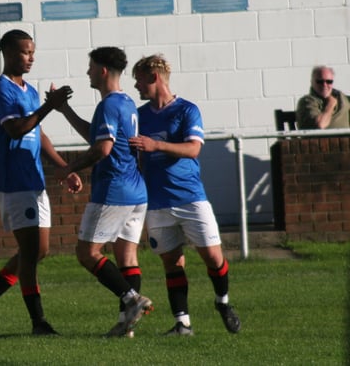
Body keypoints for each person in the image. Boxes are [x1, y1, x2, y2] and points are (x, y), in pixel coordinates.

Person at [0, 29, 83, 336]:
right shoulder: (1, 91)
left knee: (39, 251)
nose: (30, 57)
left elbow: (37, 134)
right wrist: (49, 106)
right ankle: (38, 322)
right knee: (30, 253)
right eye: (24, 52)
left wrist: (64, 167)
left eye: (32, 52)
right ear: (6, 53)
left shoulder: (29, 90)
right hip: (15, 181)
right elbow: (17, 129)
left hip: (35, 180)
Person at [129, 53, 241, 336]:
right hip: (156, 202)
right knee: (172, 262)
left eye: (139, 80)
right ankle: (183, 324)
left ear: (154, 78)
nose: (136, 87)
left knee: (214, 258)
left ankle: (223, 302)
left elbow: (193, 149)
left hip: (190, 197)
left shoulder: (187, 110)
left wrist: (157, 146)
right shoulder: (139, 116)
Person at [53, 46, 153, 338]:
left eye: (91, 67)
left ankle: (132, 300)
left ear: (103, 71)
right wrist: (65, 110)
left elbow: (103, 148)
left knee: (87, 253)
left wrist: (69, 167)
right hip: (137, 191)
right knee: (127, 256)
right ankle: (126, 324)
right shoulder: (126, 103)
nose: (88, 72)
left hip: (114, 189)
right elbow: (98, 135)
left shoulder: (108, 105)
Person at [296, 65, 350, 129]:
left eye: (329, 81)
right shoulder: (307, 101)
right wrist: (330, 105)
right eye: (320, 81)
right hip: (318, 139)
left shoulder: (343, 98)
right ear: (312, 82)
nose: (324, 85)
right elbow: (320, 125)